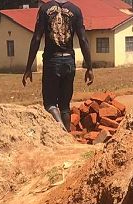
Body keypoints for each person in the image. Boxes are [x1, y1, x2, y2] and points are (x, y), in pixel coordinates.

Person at [22, 0, 94, 130]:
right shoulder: (76, 10)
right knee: (65, 106)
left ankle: (63, 133)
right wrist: (89, 67)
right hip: (69, 62)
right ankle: (68, 137)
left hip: (51, 61)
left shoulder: (44, 9)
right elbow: (83, 40)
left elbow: (36, 38)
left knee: (50, 104)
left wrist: (28, 67)